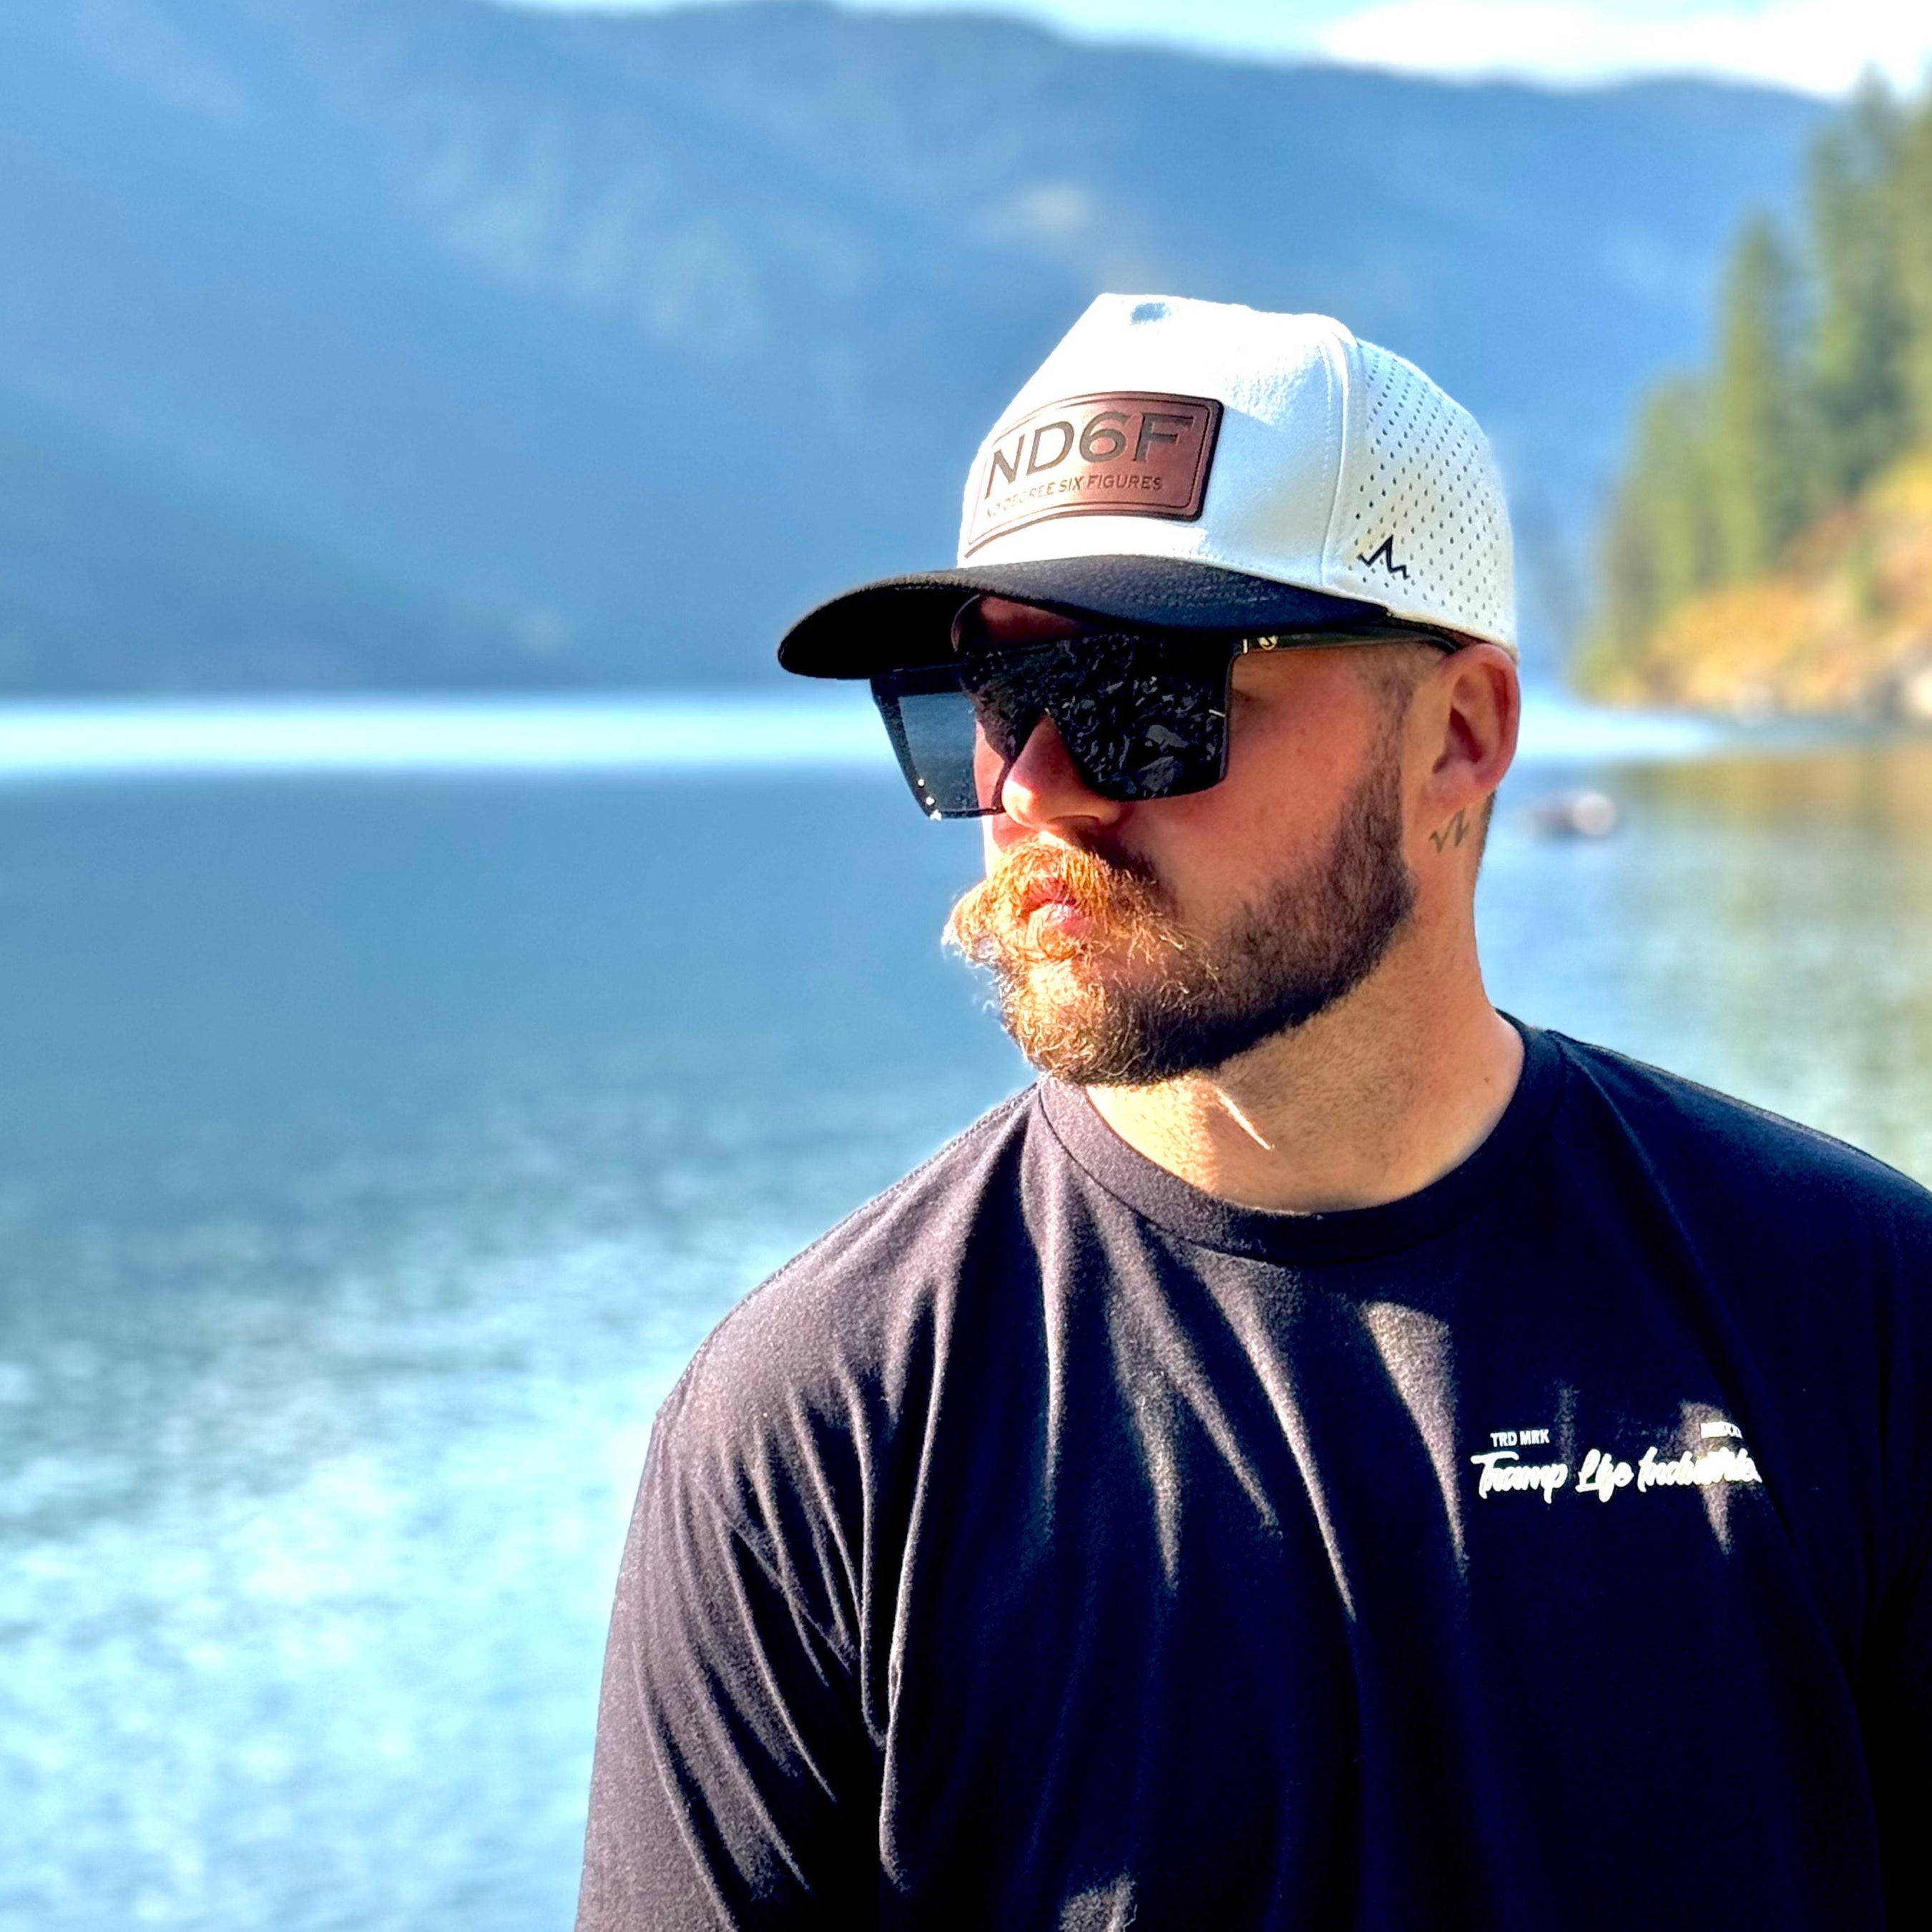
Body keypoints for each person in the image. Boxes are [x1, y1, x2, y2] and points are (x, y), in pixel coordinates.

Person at [575, 295, 1932, 1929]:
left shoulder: (1855, 1314)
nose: (1036, 791)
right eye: (994, 700)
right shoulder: (820, 1425)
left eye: (1150, 693)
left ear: (1459, 734)